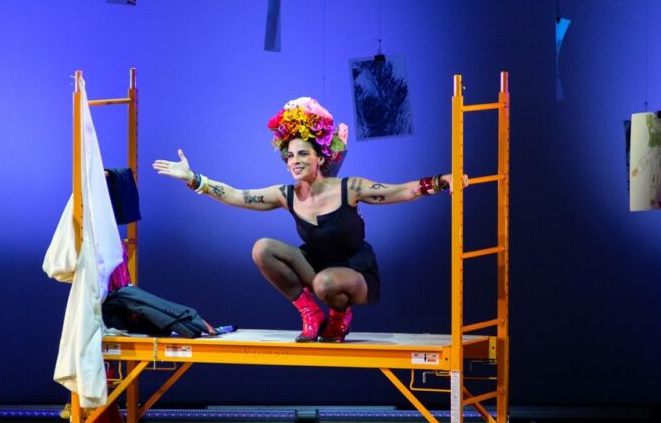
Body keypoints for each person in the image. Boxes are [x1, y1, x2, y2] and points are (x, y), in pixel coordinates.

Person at [153, 97, 465, 343]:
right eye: (290, 156)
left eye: (303, 154)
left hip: (354, 275)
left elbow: (400, 191)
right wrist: (193, 178)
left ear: (320, 157)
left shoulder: (349, 188)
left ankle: (340, 318)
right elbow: (236, 195)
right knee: (263, 248)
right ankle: (311, 313)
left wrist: (441, 182)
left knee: (325, 282)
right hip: (315, 269)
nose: (295, 161)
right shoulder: (285, 194)